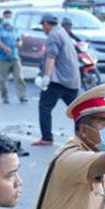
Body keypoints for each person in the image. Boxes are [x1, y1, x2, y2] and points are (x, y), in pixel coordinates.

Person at [33, 13, 80, 147]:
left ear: (47, 24)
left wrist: (46, 77)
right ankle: (85, 137)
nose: (43, 28)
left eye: (43, 25)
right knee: (77, 111)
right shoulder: (62, 32)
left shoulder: (53, 35)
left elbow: (51, 57)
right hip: (72, 79)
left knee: (44, 107)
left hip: (58, 80)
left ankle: (47, 138)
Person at [0, 17, 27, 104]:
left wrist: (19, 44)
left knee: (19, 77)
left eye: (9, 25)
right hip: (3, 58)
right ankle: (5, 97)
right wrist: (5, 48)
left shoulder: (15, 30)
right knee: (3, 79)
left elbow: (19, 40)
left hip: (15, 57)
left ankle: (22, 96)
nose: (8, 27)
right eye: (7, 25)